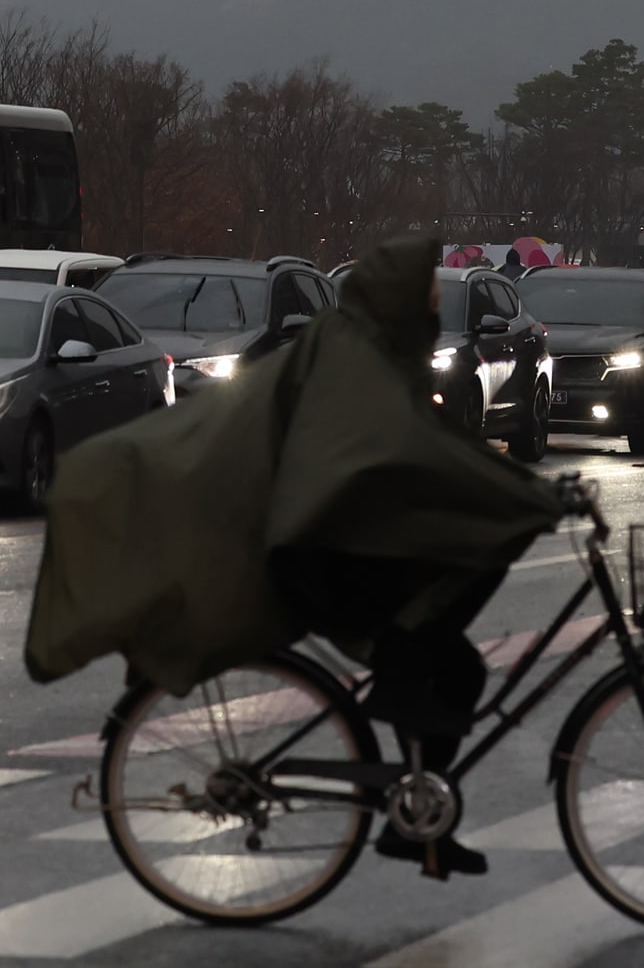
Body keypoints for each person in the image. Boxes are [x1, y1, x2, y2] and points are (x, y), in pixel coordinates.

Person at [26, 237, 564, 880]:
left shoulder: (372, 351)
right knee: (438, 652)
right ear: (396, 301)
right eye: (423, 297)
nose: (430, 310)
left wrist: (516, 493)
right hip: (318, 554)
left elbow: (428, 448)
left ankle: (415, 809)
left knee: (443, 656)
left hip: (331, 543)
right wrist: (526, 495)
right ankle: (409, 802)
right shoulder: (358, 361)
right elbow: (418, 450)